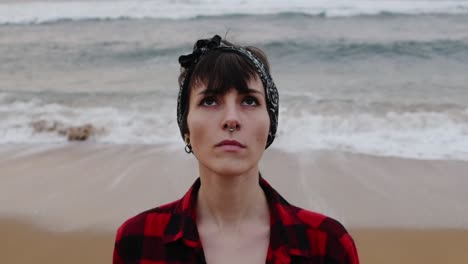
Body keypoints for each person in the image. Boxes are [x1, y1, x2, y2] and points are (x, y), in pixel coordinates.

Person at [113, 35, 359, 264]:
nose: (231, 119)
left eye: (249, 101)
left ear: (270, 125)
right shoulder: (138, 240)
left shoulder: (326, 244)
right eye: (209, 101)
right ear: (185, 128)